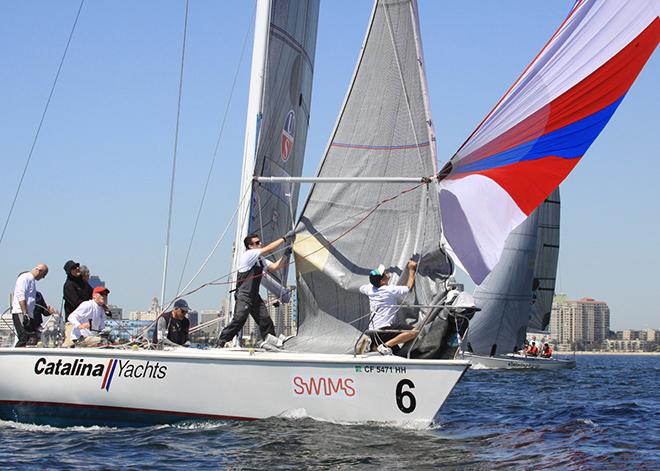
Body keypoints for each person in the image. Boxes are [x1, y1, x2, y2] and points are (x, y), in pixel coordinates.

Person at [216, 232, 293, 347]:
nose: (260, 243)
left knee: (265, 319)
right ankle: (221, 341)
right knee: (240, 318)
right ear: (250, 246)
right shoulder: (249, 255)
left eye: (259, 241)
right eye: (257, 243)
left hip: (254, 295)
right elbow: (267, 249)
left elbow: (276, 266)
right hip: (244, 294)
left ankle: (271, 342)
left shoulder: (260, 260)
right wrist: (284, 239)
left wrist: (286, 254)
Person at [359, 260, 418, 355]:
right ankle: (385, 346)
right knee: (414, 331)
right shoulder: (389, 290)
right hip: (384, 329)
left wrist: (374, 283)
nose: (387, 272)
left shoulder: (369, 289)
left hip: (373, 331)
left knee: (397, 355)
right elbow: (408, 287)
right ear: (382, 281)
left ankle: (374, 344)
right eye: (385, 273)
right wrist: (411, 269)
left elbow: (361, 288)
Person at [11, 264, 52, 347]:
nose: (43, 277)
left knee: (33, 336)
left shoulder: (32, 280)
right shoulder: (24, 277)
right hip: (20, 312)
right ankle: (16, 355)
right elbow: (21, 295)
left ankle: (25, 355)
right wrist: (25, 313)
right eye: (43, 275)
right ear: (39, 270)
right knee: (24, 336)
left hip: (28, 314)